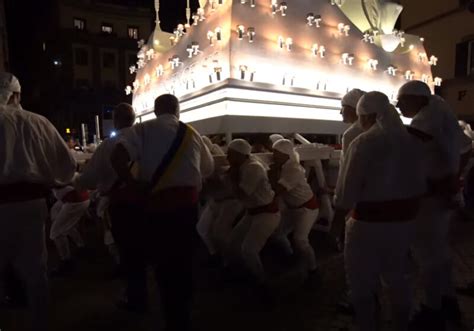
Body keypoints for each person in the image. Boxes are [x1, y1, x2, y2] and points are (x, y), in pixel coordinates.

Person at [111, 94, 214, 331]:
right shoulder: (192, 133)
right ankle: (183, 317)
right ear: (177, 111)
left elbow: (117, 157)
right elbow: (207, 168)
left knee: (164, 265)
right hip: (187, 209)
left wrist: (133, 184)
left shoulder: (142, 130)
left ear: (156, 111)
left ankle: (171, 317)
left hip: (157, 210)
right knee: (185, 263)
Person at [336, 92, 426, 331]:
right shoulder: (413, 141)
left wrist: (338, 220)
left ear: (369, 116)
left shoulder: (363, 142)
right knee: (397, 277)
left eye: (361, 117)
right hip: (403, 223)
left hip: (367, 224)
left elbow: (346, 192)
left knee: (360, 280)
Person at [0, 72, 76, 331]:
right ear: (17, 95)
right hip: (31, 206)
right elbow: (66, 166)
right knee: (35, 270)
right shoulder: (38, 122)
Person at [396, 81, 464, 328]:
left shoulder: (426, 120)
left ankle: (432, 309)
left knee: (427, 256)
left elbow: (409, 149)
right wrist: (452, 178)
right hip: (439, 194)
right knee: (440, 253)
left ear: (416, 99)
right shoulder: (442, 114)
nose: (398, 105)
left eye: (401, 101)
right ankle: (448, 301)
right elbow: (464, 149)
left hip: (429, 198)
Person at [74, 103, 138, 307]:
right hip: (145, 199)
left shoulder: (109, 144)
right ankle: (141, 293)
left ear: (116, 121)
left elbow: (90, 178)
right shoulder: (144, 138)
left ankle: (134, 296)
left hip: (119, 201)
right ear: (134, 119)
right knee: (139, 248)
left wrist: (78, 181)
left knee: (126, 250)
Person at [226, 139, 280, 288]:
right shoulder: (244, 165)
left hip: (266, 214)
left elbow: (243, 194)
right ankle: (242, 272)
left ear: (240, 155)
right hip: (253, 213)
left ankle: (261, 283)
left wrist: (231, 178)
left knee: (249, 249)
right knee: (233, 241)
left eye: (230, 154)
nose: (227, 157)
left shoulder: (253, 168)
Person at [270, 139, 320, 283]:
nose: (273, 156)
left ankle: (313, 270)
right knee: (278, 234)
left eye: (276, 153)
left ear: (286, 154)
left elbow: (278, 190)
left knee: (300, 240)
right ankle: (292, 256)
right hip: (294, 208)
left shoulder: (292, 168)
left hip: (307, 208)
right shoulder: (284, 166)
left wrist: (271, 173)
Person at [331, 89, 367, 244]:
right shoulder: (374, 129)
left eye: (343, 107)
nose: (340, 112)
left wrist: (340, 208)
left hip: (357, 197)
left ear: (353, 108)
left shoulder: (352, 134)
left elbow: (348, 172)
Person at [49, 184, 89, 277]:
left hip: (75, 200)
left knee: (56, 233)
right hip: (74, 198)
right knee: (56, 214)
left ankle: (67, 262)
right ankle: (81, 246)